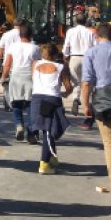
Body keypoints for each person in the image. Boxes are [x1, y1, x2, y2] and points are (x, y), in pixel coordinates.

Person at [81, 23, 111, 203]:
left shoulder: (91, 53)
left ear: (97, 36)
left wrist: (85, 104)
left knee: (110, 144)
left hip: (103, 102)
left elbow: (86, 82)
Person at [30, 43, 73, 175]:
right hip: (52, 99)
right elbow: (68, 87)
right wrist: (65, 94)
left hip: (37, 98)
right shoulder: (61, 67)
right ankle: (44, 163)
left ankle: (52, 156)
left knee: (47, 129)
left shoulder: (35, 64)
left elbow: (33, 77)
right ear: (55, 55)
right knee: (49, 130)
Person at [0, 25, 41, 144]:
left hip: (16, 75)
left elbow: (7, 64)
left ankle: (19, 125)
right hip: (30, 76)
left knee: (16, 102)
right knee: (30, 104)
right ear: (31, 35)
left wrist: (3, 77)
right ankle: (31, 133)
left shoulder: (13, 47)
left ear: (19, 35)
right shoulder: (35, 48)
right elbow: (36, 65)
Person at [63, 12, 98, 129]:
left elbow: (66, 46)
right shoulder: (90, 32)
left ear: (75, 21)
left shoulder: (70, 31)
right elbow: (95, 46)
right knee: (87, 83)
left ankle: (75, 98)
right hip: (87, 57)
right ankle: (87, 106)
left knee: (76, 81)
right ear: (86, 21)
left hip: (74, 57)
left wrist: (66, 56)